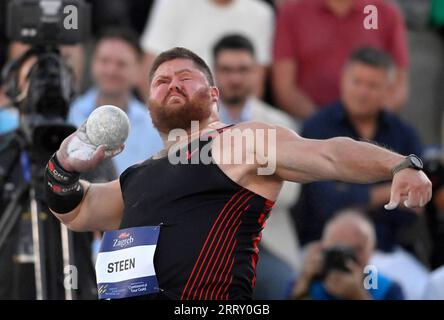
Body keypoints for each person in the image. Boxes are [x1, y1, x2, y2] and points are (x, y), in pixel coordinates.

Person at [45, 47, 431, 300]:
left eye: (185, 76)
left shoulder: (241, 142)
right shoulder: (138, 176)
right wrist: (63, 167)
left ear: (214, 96)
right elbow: (77, 212)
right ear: (149, 102)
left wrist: (398, 164)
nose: (172, 84)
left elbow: (328, 154)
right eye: (161, 81)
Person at [292, 47, 424, 255]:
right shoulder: (316, 128)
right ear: (343, 80)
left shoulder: (404, 134)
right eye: (357, 82)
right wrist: (388, 192)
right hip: (323, 247)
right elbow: (325, 203)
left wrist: (352, 194)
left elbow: (416, 204)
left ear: (388, 90)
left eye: (372, 85)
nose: (362, 92)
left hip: (387, 250)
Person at [212, 34, 300, 299]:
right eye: (226, 70)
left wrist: (225, 178)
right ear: (213, 73)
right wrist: (260, 170)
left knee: (282, 286)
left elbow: (290, 192)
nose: (235, 78)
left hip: (268, 243)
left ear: (256, 72)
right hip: (209, 242)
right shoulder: (195, 124)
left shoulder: (281, 123)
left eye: (243, 69)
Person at [272, 0, 409, 119]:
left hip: (372, 129)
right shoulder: (293, 12)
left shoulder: (385, 13)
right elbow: (285, 88)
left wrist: (368, 121)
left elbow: (398, 85)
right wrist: (325, 124)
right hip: (308, 126)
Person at [68, 28, 163, 175]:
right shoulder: (69, 113)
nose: (111, 70)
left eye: (121, 64)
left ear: (138, 69)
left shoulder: (154, 127)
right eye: (104, 61)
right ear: (92, 63)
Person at [138, 0, 274, 100]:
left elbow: (255, 85)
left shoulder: (261, 13)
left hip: (235, 121)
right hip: (177, 115)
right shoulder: (173, 3)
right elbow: (149, 75)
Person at [292, 209, 405, 300]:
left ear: (372, 250)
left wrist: (358, 296)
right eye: (338, 248)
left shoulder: (387, 289)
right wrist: (304, 283)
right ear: (323, 247)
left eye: (357, 249)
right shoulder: (307, 282)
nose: (346, 257)